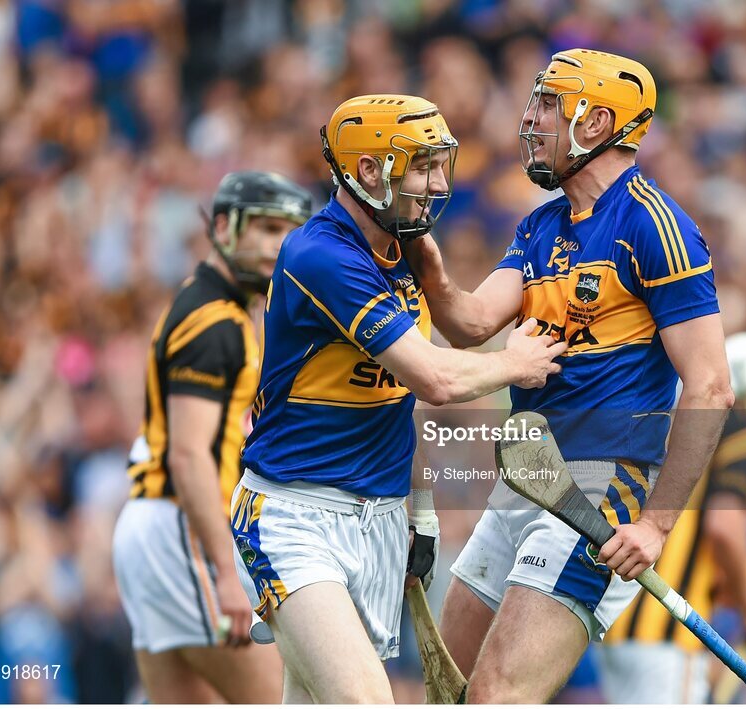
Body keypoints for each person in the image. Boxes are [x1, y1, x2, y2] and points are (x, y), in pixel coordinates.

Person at [403, 48, 735, 703]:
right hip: (527, 478)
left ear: (597, 122)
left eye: (549, 104)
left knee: (500, 694)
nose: (530, 118)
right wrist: (418, 245)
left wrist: (656, 525)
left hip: (601, 489)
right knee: (449, 688)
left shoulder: (655, 227)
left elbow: (711, 386)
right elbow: (470, 322)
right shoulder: (540, 226)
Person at [230, 94, 566, 704]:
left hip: (379, 518)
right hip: (295, 514)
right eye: (421, 167)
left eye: (442, 165)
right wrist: (515, 364)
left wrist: (421, 511)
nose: (438, 185)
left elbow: (395, 403)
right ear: (367, 171)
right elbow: (432, 381)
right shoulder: (323, 255)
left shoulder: (404, 249)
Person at [112, 171, 312, 703]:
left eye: (289, 232)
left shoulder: (211, 306)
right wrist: (226, 571)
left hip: (156, 526)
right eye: (267, 228)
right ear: (222, 226)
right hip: (183, 529)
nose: (279, 246)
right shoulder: (215, 323)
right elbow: (187, 455)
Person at [598, 331, 746, 703]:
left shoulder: (668, 421)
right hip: (666, 633)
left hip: (615, 626)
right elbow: (724, 526)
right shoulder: (743, 425)